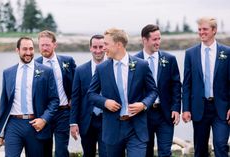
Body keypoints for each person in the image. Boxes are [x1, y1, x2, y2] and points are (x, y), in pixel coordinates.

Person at [87, 28, 158, 157]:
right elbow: (91, 94)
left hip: (136, 127)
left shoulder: (141, 65)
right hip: (112, 128)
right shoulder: (101, 68)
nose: (103, 48)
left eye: (106, 44)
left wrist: (143, 104)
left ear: (118, 44)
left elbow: (153, 91)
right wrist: (105, 102)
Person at [0, 37, 59, 157]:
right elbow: (4, 103)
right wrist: (2, 131)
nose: (28, 52)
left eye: (31, 49)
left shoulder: (46, 71)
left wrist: (44, 119)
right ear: (17, 50)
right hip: (13, 125)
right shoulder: (8, 73)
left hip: (35, 125)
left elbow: (54, 100)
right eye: (24, 49)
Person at [182, 17, 230, 157]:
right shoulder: (190, 53)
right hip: (199, 108)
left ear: (214, 30)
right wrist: (185, 109)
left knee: (221, 146)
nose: (201, 32)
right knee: (200, 149)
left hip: (221, 108)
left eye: (205, 29)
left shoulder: (227, 52)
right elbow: (187, 84)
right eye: (199, 29)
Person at [135, 24, 181, 157]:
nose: (158, 42)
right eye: (154, 39)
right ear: (144, 40)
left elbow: (176, 85)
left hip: (165, 114)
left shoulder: (170, 59)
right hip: (144, 115)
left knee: (165, 152)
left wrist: (176, 108)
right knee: (146, 152)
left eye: (159, 39)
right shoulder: (134, 61)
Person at [36, 30, 76, 157]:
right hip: (44, 114)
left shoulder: (67, 61)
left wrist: (73, 99)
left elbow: (76, 84)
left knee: (61, 150)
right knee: (44, 149)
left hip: (63, 113)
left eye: (47, 45)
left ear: (55, 45)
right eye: (42, 45)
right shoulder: (34, 64)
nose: (44, 48)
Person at [70, 34, 107, 157]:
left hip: (107, 120)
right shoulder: (80, 71)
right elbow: (75, 98)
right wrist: (73, 123)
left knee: (106, 154)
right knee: (88, 154)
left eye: (101, 46)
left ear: (105, 47)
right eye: (95, 47)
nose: (98, 50)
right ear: (90, 48)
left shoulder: (113, 66)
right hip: (87, 121)